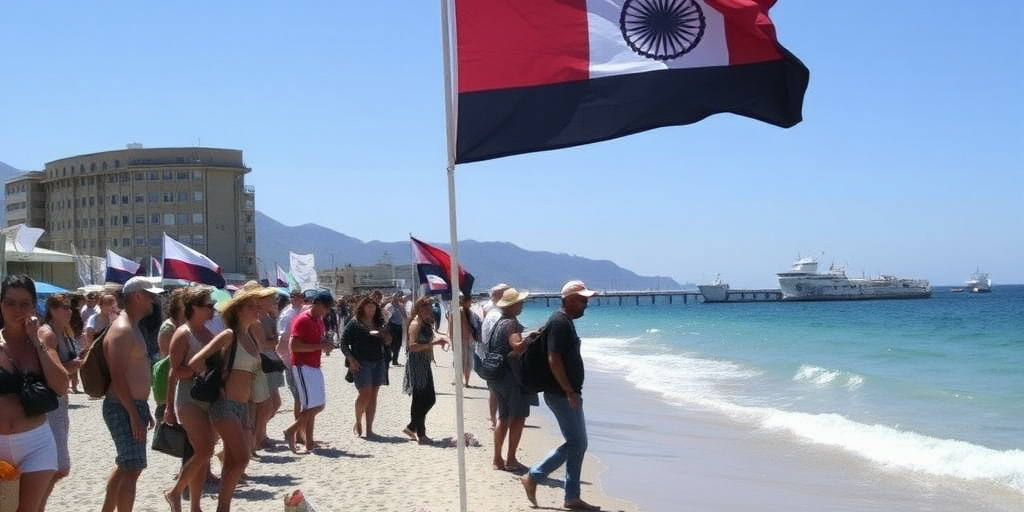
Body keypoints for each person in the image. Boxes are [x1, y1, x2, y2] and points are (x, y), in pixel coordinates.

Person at [187, 286, 276, 512]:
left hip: (242, 407)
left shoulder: (252, 338)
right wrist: (214, 383)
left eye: (258, 306)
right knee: (243, 457)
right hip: (224, 405)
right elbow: (196, 361)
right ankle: (222, 505)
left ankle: (222, 507)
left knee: (231, 462)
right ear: (238, 311)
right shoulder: (229, 335)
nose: (257, 310)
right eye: (251, 306)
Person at [521, 280, 600, 511]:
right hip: (561, 394)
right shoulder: (560, 323)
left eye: (587, 300)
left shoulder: (564, 322)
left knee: (578, 443)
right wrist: (568, 391)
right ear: (568, 299)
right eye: (582, 300)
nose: (586, 304)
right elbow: (553, 358)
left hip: (566, 392)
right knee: (578, 443)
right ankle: (535, 477)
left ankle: (571, 496)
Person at [0, 275, 70, 511]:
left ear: (33, 306)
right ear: (1, 305)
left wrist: (36, 341)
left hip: (36, 441)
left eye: (24, 303)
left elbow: (61, 386)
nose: (17, 309)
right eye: (10, 302)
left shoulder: (43, 338)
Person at [100, 276, 163, 512]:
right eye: (150, 295)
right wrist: (134, 414)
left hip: (130, 405)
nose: (154, 301)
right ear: (137, 296)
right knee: (132, 467)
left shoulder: (131, 326)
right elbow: (117, 375)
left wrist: (141, 409)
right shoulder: (123, 329)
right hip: (122, 405)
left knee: (125, 464)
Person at [163, 287, 217, 512]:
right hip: (189, 398)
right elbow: (175, 372)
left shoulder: (207, 332)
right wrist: (168, 407)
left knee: (201, 453)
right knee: (204, 451)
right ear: (195, 308)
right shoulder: (183, 333)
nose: (212, 309)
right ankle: (174, 492)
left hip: (208, 396)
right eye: (208, 305)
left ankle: (195, 505)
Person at [484, 287, 534, 471]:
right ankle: (511, 459)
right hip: (510, 376)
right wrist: (531, 340)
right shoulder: (511, 324)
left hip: (496, 374)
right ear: (512, 305)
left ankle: (497, 458)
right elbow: (516, 346)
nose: (522, 305)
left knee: (503, 417)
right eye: (520, 302)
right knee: (518, 417)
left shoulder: (499, 321)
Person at [39, 293, 81, 502]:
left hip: (61, 401)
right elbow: (46, 372)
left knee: (59, 466)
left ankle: (38, 505)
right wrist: (71, 367)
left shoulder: (62, 332)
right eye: (64, 307)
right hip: (50, 402)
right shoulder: (48, 334)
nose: (69, 311)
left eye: (70, 307)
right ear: (52, 310)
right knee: (58, 465)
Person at [283, 290, 335, 454]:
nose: (326, 312)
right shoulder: (303, 320)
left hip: (314, 365)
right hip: (302, 365)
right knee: (314, 406)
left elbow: (315, 340)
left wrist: (325, 343)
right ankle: (291, 431)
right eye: (325, 308)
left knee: (316, 404)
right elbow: (294, 346)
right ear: (317, 304)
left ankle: (309, 441)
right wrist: (321, 346)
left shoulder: (318, 320)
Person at [339, 296, 389, 438]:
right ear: (362, 307)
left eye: (374, 307)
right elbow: (343, 343)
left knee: (373, 395)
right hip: (361, 361)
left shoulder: (379, 322)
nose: (372, 310)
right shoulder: (355, 322)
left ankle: (369, 428)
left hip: (378, 360)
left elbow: (388, 342)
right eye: (369, 307)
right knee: (365, 393)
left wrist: (384, 335)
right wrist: (351, 359)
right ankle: (358, 420)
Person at [401, 297, 448, 444]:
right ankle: (420, 434)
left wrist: (438, 340)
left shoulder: (424, 322)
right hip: (416, 363)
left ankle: (412, 427)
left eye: (429, 308)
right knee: (423, 399)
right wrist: (433, 343)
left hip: (424, 362)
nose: (428, 310)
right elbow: (412, 346)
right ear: (419, 309)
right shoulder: (415, 324)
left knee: (424, 399)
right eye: (425, 308)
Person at [480, 283, 509, 429]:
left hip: (487, 354)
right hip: (496, 356)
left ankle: (493, 419)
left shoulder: (487, 308)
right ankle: (498, 419)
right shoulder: (497, 312)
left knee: (492, 390)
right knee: (497, 390)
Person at [447, 293, 481, 387]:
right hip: (461, 340)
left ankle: (466, 382)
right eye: (469, 301)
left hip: (468, 340)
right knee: (463, 362)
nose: (471, 303)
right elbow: (451, 329)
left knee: (468, 362)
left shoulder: (470, 312)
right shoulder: (457, 312)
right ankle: (461, 381)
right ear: (464, 301)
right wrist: (452, 342)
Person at [382, 291, 408, 367]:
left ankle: (395, 361)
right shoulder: (389, 306)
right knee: (391, 344)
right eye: (394, 297)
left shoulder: (400, 305)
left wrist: (407, 321)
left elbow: (404, 315)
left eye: (397, 297)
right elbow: (385, 317)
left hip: (399, 326)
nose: (396, 298)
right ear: (392, 298)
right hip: (391, 326)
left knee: (398, 344)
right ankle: (388, 359)